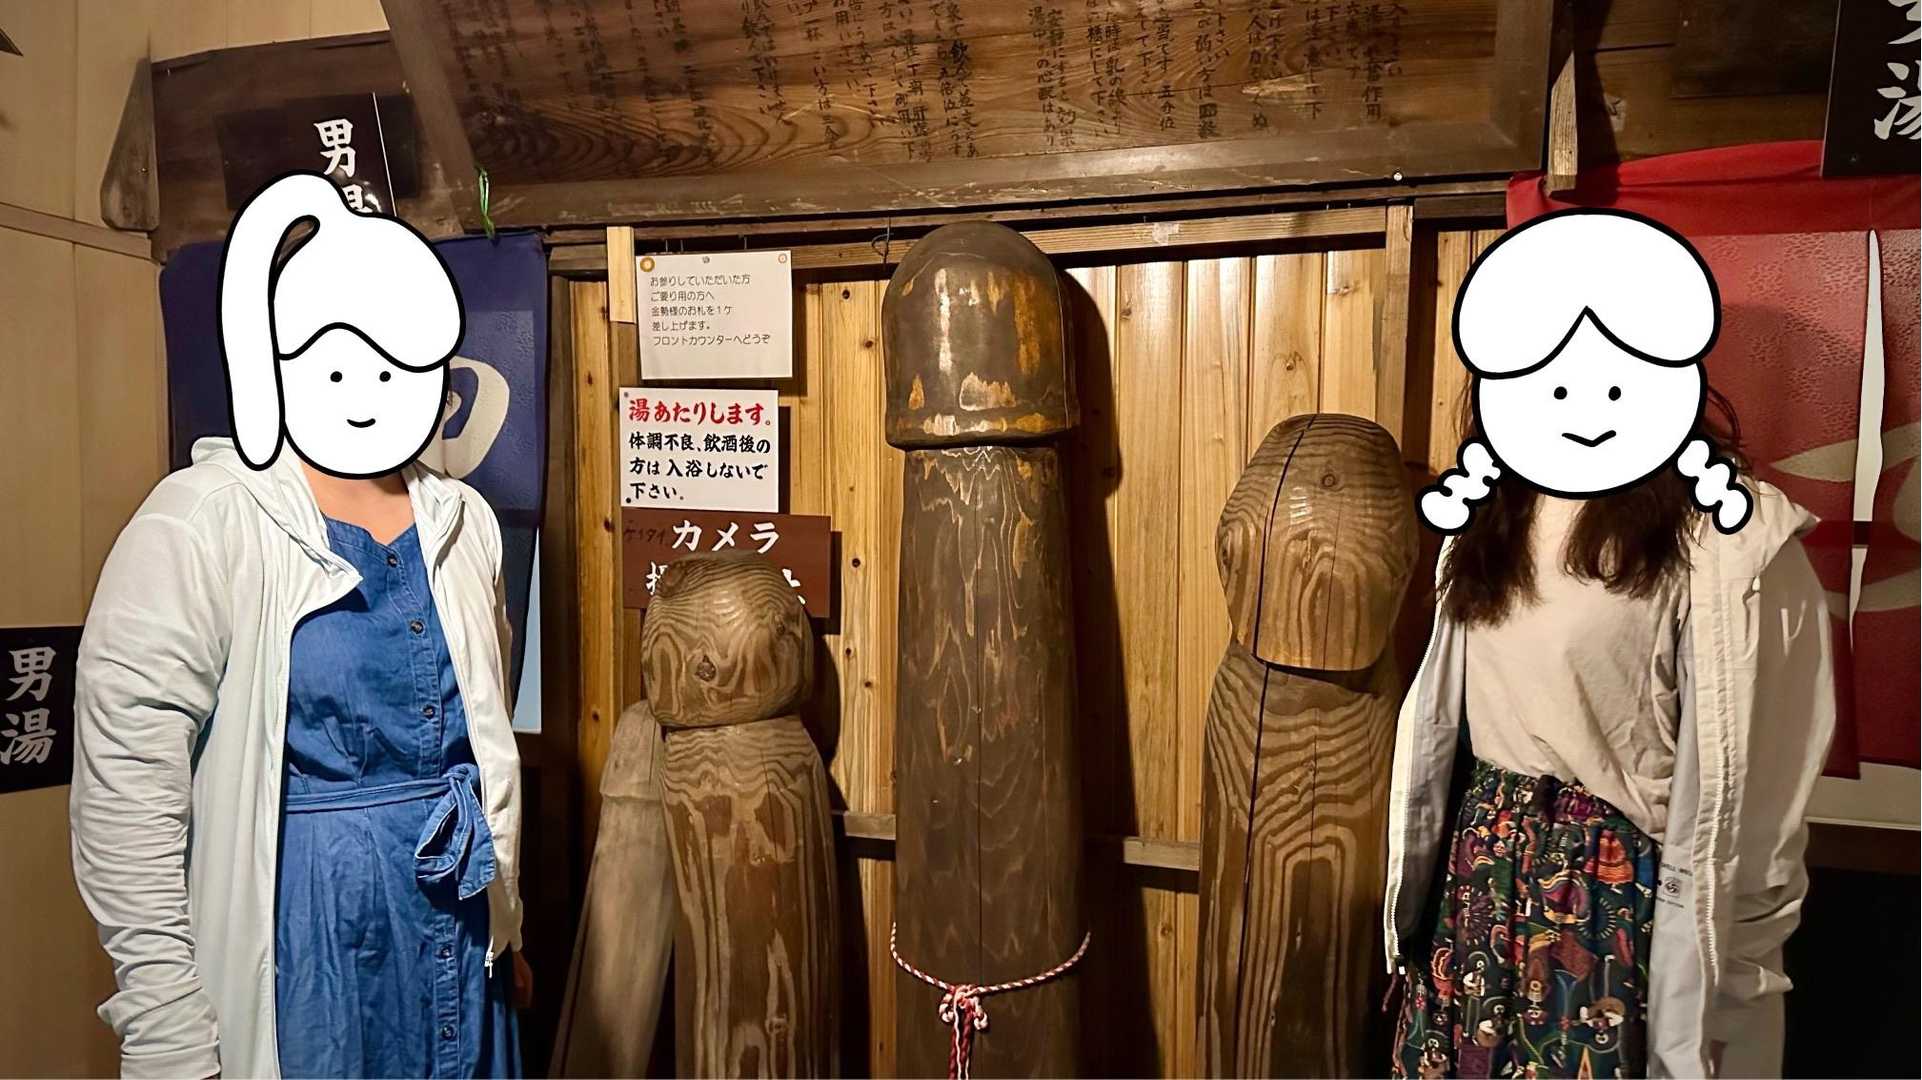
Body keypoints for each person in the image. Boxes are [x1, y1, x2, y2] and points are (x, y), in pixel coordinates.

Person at [70, 172, 530, 1079]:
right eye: (343, 361)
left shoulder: (463, 520)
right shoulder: (204, 521)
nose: (370, 388)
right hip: (303, 952)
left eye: (399, 365)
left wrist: (507, 928)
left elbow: (481, 737)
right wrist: (164, 1021)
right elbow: (127, 786)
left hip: (457, 935)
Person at [1387, 209, 1834, 1078]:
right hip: (1479, 878)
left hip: (1609, 902)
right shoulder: (1489, 514)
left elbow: (1762, 813)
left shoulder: (1734, 542)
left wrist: (1738, 982)